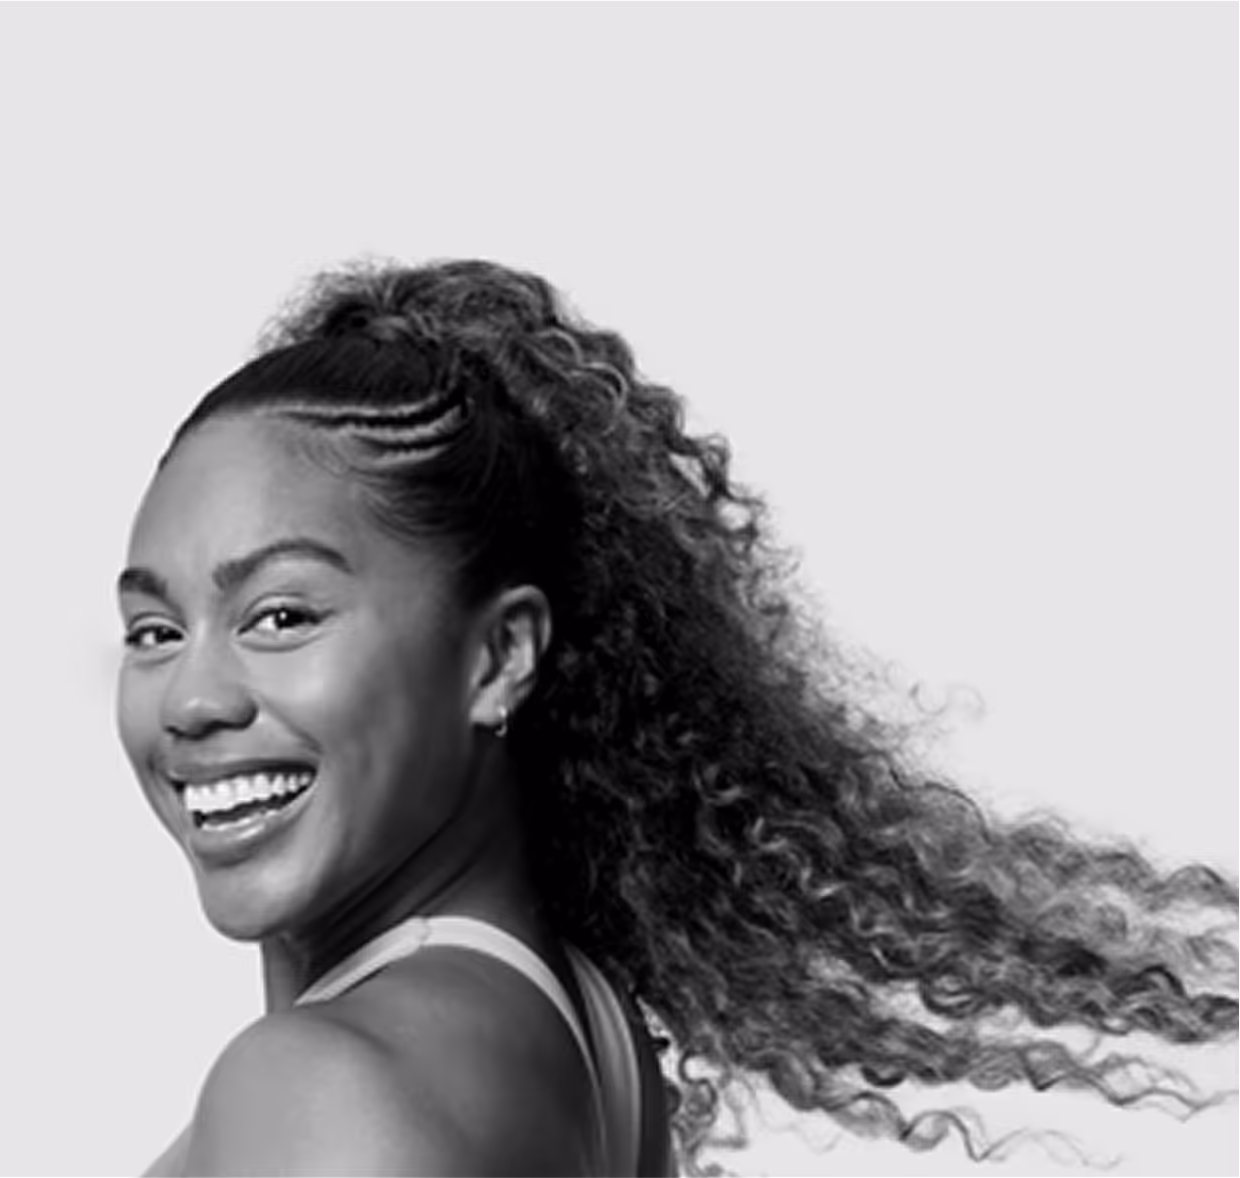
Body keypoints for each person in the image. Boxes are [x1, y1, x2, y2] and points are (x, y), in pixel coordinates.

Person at [117, 259, 1237, 1178]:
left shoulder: (321, 1084)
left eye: (279, 614)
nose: (193, 698)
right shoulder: (567, 1021)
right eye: (155, 630)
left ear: (497, 655)